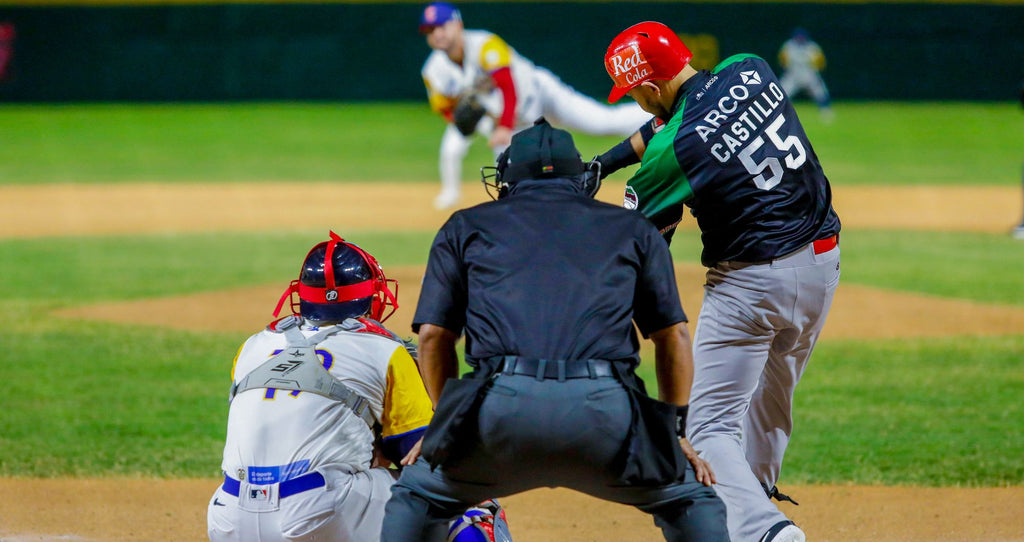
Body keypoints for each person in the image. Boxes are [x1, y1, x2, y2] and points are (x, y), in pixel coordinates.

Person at [380, 119, 730, 542]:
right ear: (579, 178)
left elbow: (434, 337)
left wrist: (444, 425)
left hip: (498, 414)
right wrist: (674, 433)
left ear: (508, 179)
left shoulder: (463, 226)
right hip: (609, 415)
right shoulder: (634, 228)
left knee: (417, 497)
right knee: (691, 500)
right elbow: (671, 337)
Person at [597, 21, 842, 542]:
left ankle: (765, 531)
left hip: (750, 286)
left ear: (649, 85)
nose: (639, 104)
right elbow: (689, 118)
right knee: (772, 399)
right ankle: (755, 495)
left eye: (637, 93)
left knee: (708, 428)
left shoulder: (669, 155)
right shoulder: (748, 67)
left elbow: (637, 246)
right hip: (823, 264)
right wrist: (603, 163)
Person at [206, 232, 512, 542]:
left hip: (227, 517)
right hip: (318, 513)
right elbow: (425, 458)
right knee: (463, 494)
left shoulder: (252, 347)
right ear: (371, 296)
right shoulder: (383, 350)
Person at [418, 1, 652, 209]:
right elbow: (445, 109)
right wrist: (479, 125)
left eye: (441, 26)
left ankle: (659, 116)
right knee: (508, 178)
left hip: (540, 96)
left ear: (457, 24)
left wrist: (502, 127)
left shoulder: (484, 44)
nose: (436, 34)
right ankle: (468, 200)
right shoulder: (433, 70)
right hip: (511, 122)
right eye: (429, 30)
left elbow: (508, 87)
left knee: (601, 122)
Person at [778, 28, 833, 122]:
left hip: (809, 75)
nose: (800, 39)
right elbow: (782, 60)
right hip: (793, 75)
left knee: (820, 93)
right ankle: (777, 114)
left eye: (802, 37)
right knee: (780, 94)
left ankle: (826, 113)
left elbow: (821, 63)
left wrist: (816, 68)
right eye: (798, 37)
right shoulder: (788, 46)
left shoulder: (813, 47)